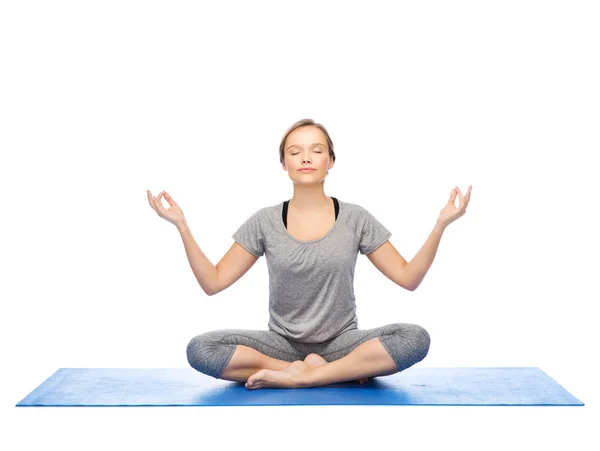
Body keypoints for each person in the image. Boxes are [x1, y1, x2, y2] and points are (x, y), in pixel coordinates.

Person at [147, 118, 472, 390]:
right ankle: (319, 371)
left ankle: (306, 377)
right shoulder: (265, 221)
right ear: (284, 163)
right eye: (295, 151)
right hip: (281, 346)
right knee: (201, 350)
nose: (306, 158)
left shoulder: (356, 218)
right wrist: (181, 225)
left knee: (414, 338)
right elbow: (213, 281)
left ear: (330, 162)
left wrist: (441, 225)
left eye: (316, 151)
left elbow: (408, 278)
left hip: (343, 344)